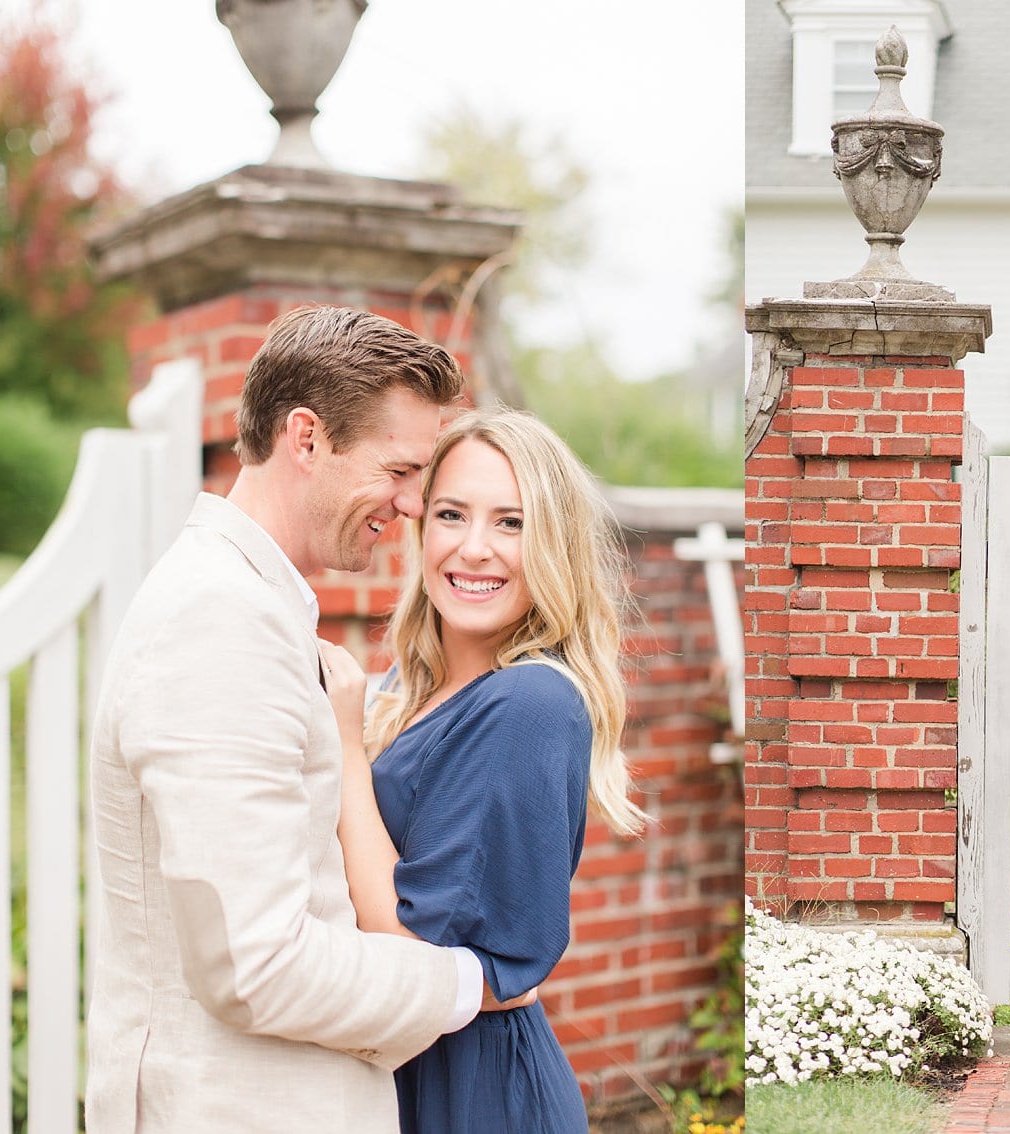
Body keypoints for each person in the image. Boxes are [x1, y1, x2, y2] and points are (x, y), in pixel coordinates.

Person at [85, 307, 504, 1134]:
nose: (416, 505)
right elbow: (257, 963)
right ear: (305, 439)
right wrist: (466, 984)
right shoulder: (218, 618)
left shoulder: (251, 603)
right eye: (399, 469)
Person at [319, 408, 647, 1134]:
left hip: (473, 1091)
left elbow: (414, 952)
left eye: (511, 523)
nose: (474, 549)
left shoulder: (528, 702)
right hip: (399, 1071)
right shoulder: (404, 691)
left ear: (553, 544)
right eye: (451, 514)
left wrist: (342, 748)